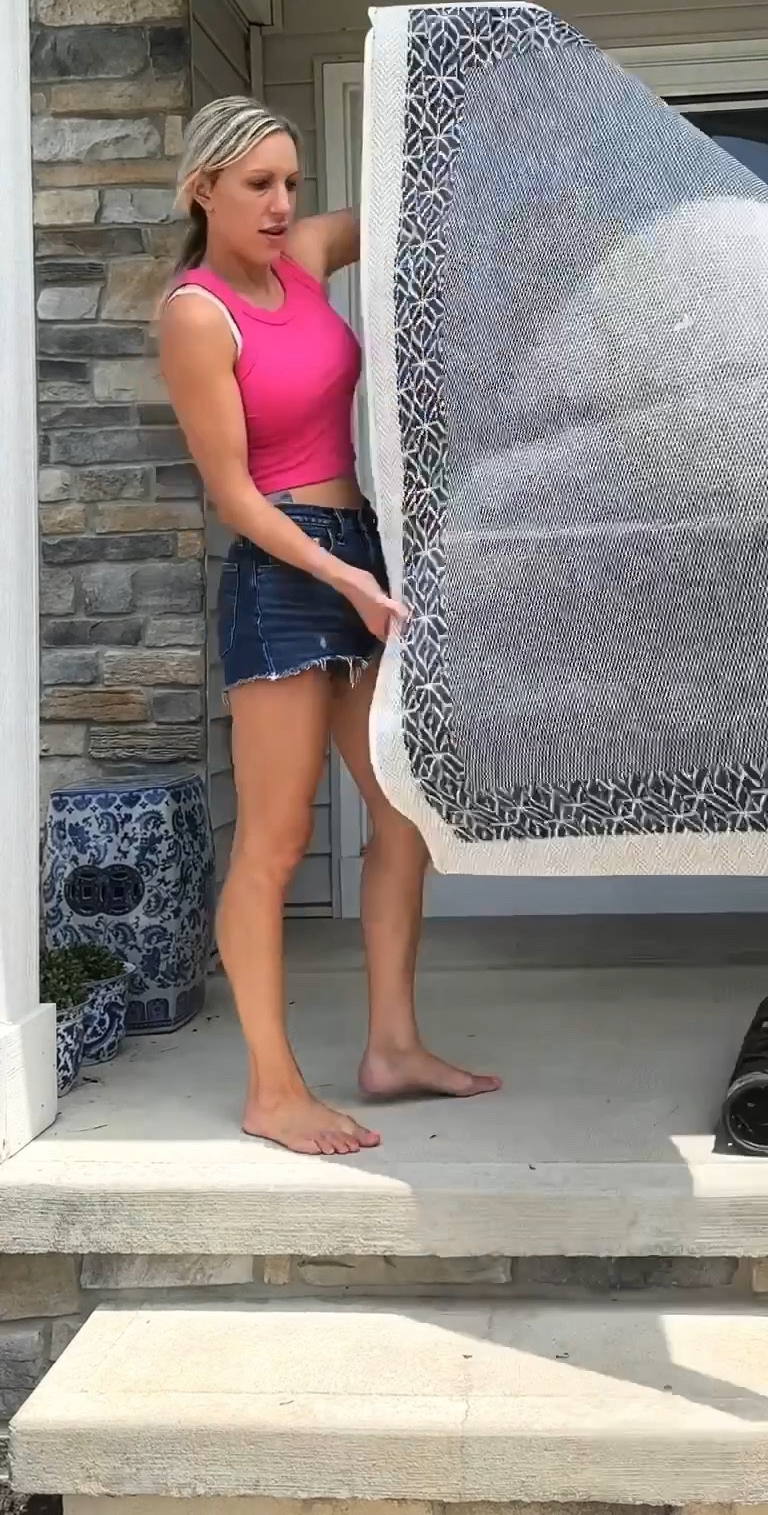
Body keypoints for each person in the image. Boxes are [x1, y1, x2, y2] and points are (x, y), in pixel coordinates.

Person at [159, 97, 499, 1155]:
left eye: (291, 183)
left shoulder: (300, 258)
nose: (280, 203)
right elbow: (232, 495)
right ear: (202, 189)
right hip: (282, 570)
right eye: (257, 184)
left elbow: (402, 212)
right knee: (276, 841)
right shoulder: (196, 312)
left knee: (404, 815)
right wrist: (337, 575)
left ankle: (391, 1048)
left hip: (357, 551)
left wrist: (489, 166)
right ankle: (274, 1089)